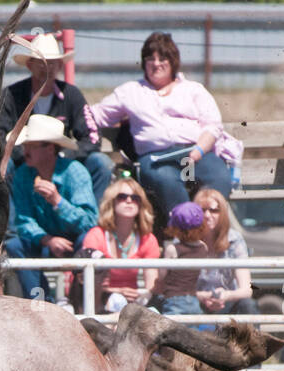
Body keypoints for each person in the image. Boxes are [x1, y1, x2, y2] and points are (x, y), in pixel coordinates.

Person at [83, 31, 241, 228]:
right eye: (150, 59)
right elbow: (95, 114)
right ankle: (187, 234)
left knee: (218, 177)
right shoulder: (131, 92)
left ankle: (208, 231)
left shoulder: (193, 89)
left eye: (162, 58)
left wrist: (198, 150)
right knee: (166, 180)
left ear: (173, 61)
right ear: (144, 63)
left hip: (194, 152)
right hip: (157, 158)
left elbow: (213, 125)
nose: (156, 63)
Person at [0, 33, 112, 205]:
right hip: (23, 162)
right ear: (30, 65)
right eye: (42, 62)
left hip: (63, 162)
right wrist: (26, 155)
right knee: (5, 167)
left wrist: (65, 155)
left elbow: (92, 136)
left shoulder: (71, 95)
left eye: (52, 63)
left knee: (101, 164)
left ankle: (90, 223)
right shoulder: (11, 95)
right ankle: (13, 229)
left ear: (59, 65)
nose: (48, 67)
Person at [4, 114, 98, 300]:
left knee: (88, 241)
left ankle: (80, 302)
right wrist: (48, 240)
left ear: (50, 148)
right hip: (43, 241)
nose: (25, 150)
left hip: (74, 240)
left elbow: (89, 221)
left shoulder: (75, 172)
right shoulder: (23, 175)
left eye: (32, 145)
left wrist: (57, 201)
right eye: (25, 145)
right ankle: (41, 302)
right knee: (16, 245)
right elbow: (23, 221)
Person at [73, 177, 159, 313]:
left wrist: (142, 296)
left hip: (132, 304)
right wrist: (117, 291)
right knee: (117, 301)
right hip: (99, 302)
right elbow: (88, 281)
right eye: (122, 197)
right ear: (111, 202)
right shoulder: (96, 235)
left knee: (154, 312)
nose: (129, 201)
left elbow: (152, 284)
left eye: (135, 198)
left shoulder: (148, 239)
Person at [192, 187, 258, 316]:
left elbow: (246, 289)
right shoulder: (187, 240)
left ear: (222, 213)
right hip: (196, 303)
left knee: (248, 305)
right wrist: (204, 296)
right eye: (202, 210)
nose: (207, 215)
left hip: (228, 302)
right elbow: (179, 291)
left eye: (214, 210)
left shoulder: (234, 239)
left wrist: (225, 296)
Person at [151, 202, 207, 317]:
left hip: (173, 299)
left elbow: (162, 275)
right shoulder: (203, 247)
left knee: (171, 331)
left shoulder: (172, 249)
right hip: (193, 299)